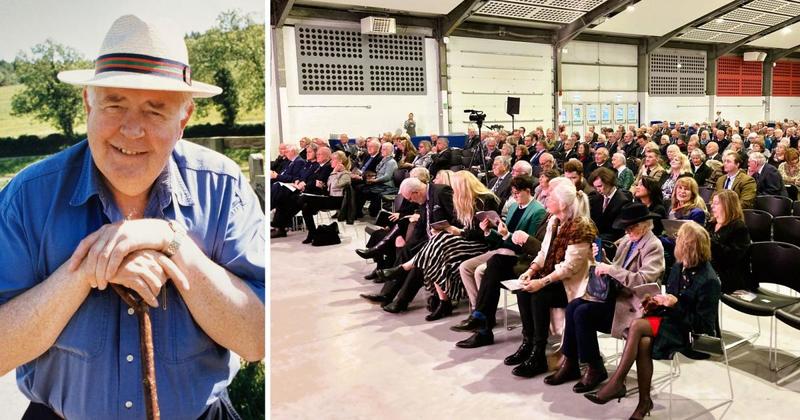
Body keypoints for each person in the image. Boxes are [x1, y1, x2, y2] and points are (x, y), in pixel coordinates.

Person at [0, 15, 264, 419]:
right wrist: (86, 270)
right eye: (115, 104)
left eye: (155, 111)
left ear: (184, 119)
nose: (132, 130)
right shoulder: (28, 196)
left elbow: (257, 340)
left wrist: (171, 242)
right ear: (88, 103)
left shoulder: (223, 188)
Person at [586, 222, 721, 420]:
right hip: (671, 321)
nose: (676, 242)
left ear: (689, 246)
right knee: (643, 341)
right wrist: (657, 301)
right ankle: (643, 401)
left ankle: (618, 382)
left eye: (680, 240)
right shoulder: (678, 267)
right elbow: (671, 301)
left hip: (690, 333)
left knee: (638, 325)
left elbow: (704, 326)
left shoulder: (709, 280)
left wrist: (675, 305)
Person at [545, 203, 664, 393]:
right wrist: (602, 259)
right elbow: (616, 269)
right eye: (626, 227)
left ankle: (594, 367)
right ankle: (571, 362)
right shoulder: (628, 240)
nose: (627, 230)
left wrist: (610, 269)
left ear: (645, 225)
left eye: (631, 226)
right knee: (574, 306)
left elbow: (643, 280)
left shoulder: (653, 246)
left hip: (635, 305)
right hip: (616, 297)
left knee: (583, 313)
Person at [505, 177, 597, 378]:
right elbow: (543, 253)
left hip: (574, 285)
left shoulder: (581, 226)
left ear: (562, 204)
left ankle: (539, 353)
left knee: (539, 294)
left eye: (549, 198)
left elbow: (569, 268)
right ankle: (528, 343)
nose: (545, 200)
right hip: (555, 278)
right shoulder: (555, 221)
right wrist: (531, 270)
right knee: (524, 289)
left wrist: (542, 281)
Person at [377, 172, 500, 318]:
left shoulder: (486, 200)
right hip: (464, 240)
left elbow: (484, 234)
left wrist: (457, 232)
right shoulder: (461, 200)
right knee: (435, 248)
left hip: (480, 243)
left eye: (456, 187)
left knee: (437, 244)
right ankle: (443, 301)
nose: (453, 190)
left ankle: (407, 271)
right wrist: (452, 230)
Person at [453, 176, 546, 347]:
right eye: (513, 193)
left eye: (518, 193)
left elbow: (528, 246)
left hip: (522, 259)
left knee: (492, 265)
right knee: (487, 265)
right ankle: (481, 321)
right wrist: (488, 231)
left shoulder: (538, 211)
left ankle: (481, 322)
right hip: (504, 253)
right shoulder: (512, 208)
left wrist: (505, 235)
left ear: (528, 191)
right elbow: (502, 240)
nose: (515, 196)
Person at [299, 151, 352, 244]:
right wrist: (322, 186)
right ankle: (312, 233)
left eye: (333, 160)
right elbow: (330, 187)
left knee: (304, 199)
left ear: (340, 162)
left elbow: (337, 185)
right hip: (330, 197)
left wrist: (334, 172)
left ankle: (312, 233)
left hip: (337, 201)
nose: (331, 162)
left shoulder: (345, 174)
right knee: (306, 207)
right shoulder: (334, 173)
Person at [707, 190, 753, 293]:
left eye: (716, 203)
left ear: (728, 205)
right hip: (710, 269)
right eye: (712, 203)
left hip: (728, 275)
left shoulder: (739, 227)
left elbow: (733, 257)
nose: (712, 206)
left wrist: (709, 242)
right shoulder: (711, 224)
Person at [355, 142, 398, 218]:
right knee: (360, 188)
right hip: (379, 183)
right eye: (382, 149)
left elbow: (387, 177)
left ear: (390, 151)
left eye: (384, 149)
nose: (381, 151)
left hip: (386, 185)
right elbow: (379, 174)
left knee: (363, 189)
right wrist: (374, 178)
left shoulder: (391, 162)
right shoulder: (384, 160)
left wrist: (375, 180)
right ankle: (357, 211)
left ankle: (365, 211)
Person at [589, 167, 630, 242]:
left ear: (609, 182)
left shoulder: (623, 201)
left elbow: (617, 232)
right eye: (595, 187)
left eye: (600, 186)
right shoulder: (596, 198)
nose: (598, 190)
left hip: (610, 243)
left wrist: (595, 239)